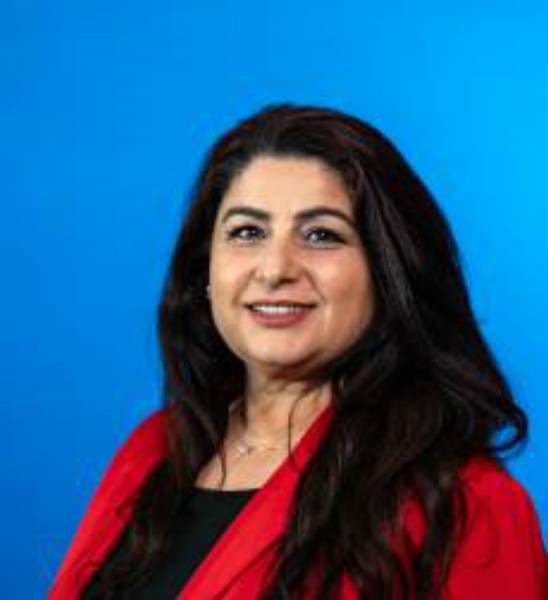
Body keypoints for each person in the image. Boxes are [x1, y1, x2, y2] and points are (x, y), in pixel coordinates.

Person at [49, 104, 546, 599]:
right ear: (206, 271)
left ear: (388, 272)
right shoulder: (154, 450)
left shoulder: (466, 503)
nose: (275, 270)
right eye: (247, 232)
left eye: (321, 235)